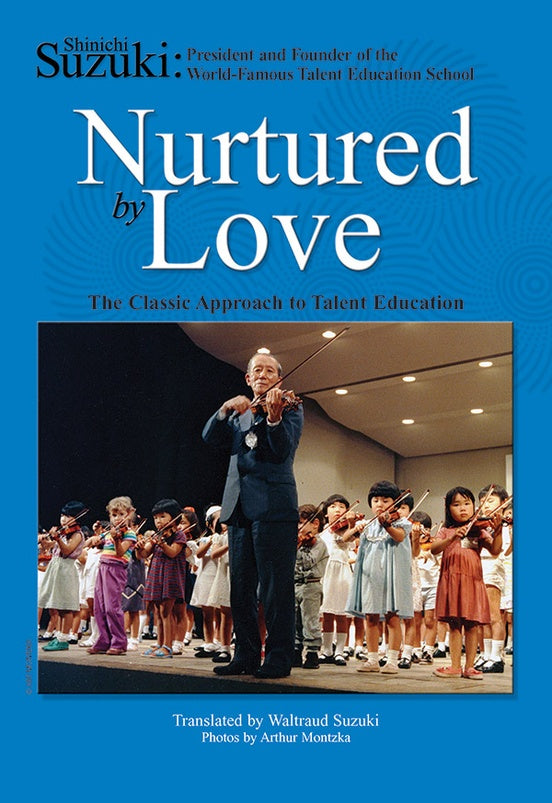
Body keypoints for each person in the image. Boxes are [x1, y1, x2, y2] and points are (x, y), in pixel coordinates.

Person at [203, 352, 303, 678]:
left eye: (269, 370)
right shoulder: (239, 413)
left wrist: (274, 420)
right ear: (247, 378)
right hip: (238, 508)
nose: (262, 374)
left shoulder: (290, 407)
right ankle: (244, 656)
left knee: (275, 589)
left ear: (279, 379)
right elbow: (209, 438)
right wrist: (223, 410)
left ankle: (278, 658)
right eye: (256, 370)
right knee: (241, 589)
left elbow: (282, 451)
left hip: (274, 507)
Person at [431, 486, 502, 680]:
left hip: (472, 581)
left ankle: (469, 666)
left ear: (474, 506)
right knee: (454, 624)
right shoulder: (445, 530)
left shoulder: (478, 531)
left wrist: (498, 531)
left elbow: (495, 550)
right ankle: (455, 666)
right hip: (451, 582)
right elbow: (434, 549)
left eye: (467, 503)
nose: (462, 508)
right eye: (456, 504)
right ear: (448, 508)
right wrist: (453, 536)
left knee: (472, 625)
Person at [347, 480, 413, 675]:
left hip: (392, 577)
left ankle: (392, 660)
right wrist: (352, 526)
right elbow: (345, 538)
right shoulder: (368, 525)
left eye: (385, 500)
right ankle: (372, 659)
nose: (380, 504)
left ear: (394, 503)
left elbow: (399, 536)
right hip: (371, 577)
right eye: (375, 500)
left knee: (392, 617)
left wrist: (386, 525)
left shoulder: (402, 522)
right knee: (371, 617)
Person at [137, 499, 191, 658]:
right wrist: (139, 548)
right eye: (155, 518)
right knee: (158, 613)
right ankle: (160, 644)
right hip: (157, 575)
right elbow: (144, 554)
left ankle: (168, 646)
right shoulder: (158, 535)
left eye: (162, 517)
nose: (158, 521)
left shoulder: (179, 535)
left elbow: (173, 552)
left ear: (174, 517)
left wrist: (162, 544)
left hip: (170, 577)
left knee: (166, 612)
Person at [87, 496, 137, 656]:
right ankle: (104, 641)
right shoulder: (109, 532)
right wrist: (95, 536)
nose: (117, 518)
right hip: (102, 567)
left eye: (121, 514)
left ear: (128, 514)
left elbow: (120, 552)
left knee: (111, 607)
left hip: (116, 569)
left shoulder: (130, 534)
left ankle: (119, 642)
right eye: (114, 515)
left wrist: (116, 539)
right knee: (99, 607)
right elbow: (97, 542)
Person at [38, 501, 87, 651]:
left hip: (66, 570)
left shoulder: (77, 534)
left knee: (66, 607)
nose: (64, 519)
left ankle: (64, 639)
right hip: (57, 569)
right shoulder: (64, 533)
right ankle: (59, 636)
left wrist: (58, 539)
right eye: (62, 515)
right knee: (58, 606)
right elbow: (49, 547)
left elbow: (67, 551)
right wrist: (44, 540)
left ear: (76, 518)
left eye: (68, 516)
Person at [319, 494, 361, 665]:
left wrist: (351, 524)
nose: (337, 510)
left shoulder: (346, 529)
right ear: (326, 513)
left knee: (342, 614)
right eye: (333, 506)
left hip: (342, 573)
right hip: (326, 572)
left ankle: (340, 651)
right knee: (327, 613)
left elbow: (348, 539)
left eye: (342, 507)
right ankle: (327, 650)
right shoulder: (322, 532)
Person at [475, 484, 510, 674]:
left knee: (494, 616)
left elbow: (501, 550)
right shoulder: (483, 523)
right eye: (483, 502)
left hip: (493, 568)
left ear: (504, 502)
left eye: (490, 501)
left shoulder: (504, 525)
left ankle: (497, 657)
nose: (486, 505)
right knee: (483, 618)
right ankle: (487, 654)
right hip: (479, 568)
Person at [294, 504, 329, 669]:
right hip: (296, 584)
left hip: (311, 586)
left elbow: (308, 562)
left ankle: (312, 653)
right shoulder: (299, 541)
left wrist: (298, 547)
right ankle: (295, 651)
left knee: (310, 621)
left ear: (315, 524)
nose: (298, 527)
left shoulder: (319, 544)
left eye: (301, 523)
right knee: (295, 620)